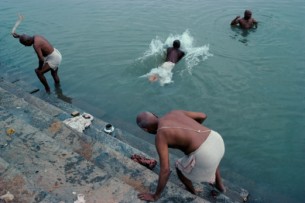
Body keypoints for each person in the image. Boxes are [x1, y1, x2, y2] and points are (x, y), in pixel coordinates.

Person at [136, 110, 225, 201]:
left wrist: (155, 195)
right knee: (211, 153)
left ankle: (192, 193)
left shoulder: (160, 136)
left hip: (205, 154)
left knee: (179, 167)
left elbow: (165, 170)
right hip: (217, 140)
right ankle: (220, 186)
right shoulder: (173, 112)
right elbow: (203, 115)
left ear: (145, 130)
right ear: (155, 115)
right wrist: (194, 134)